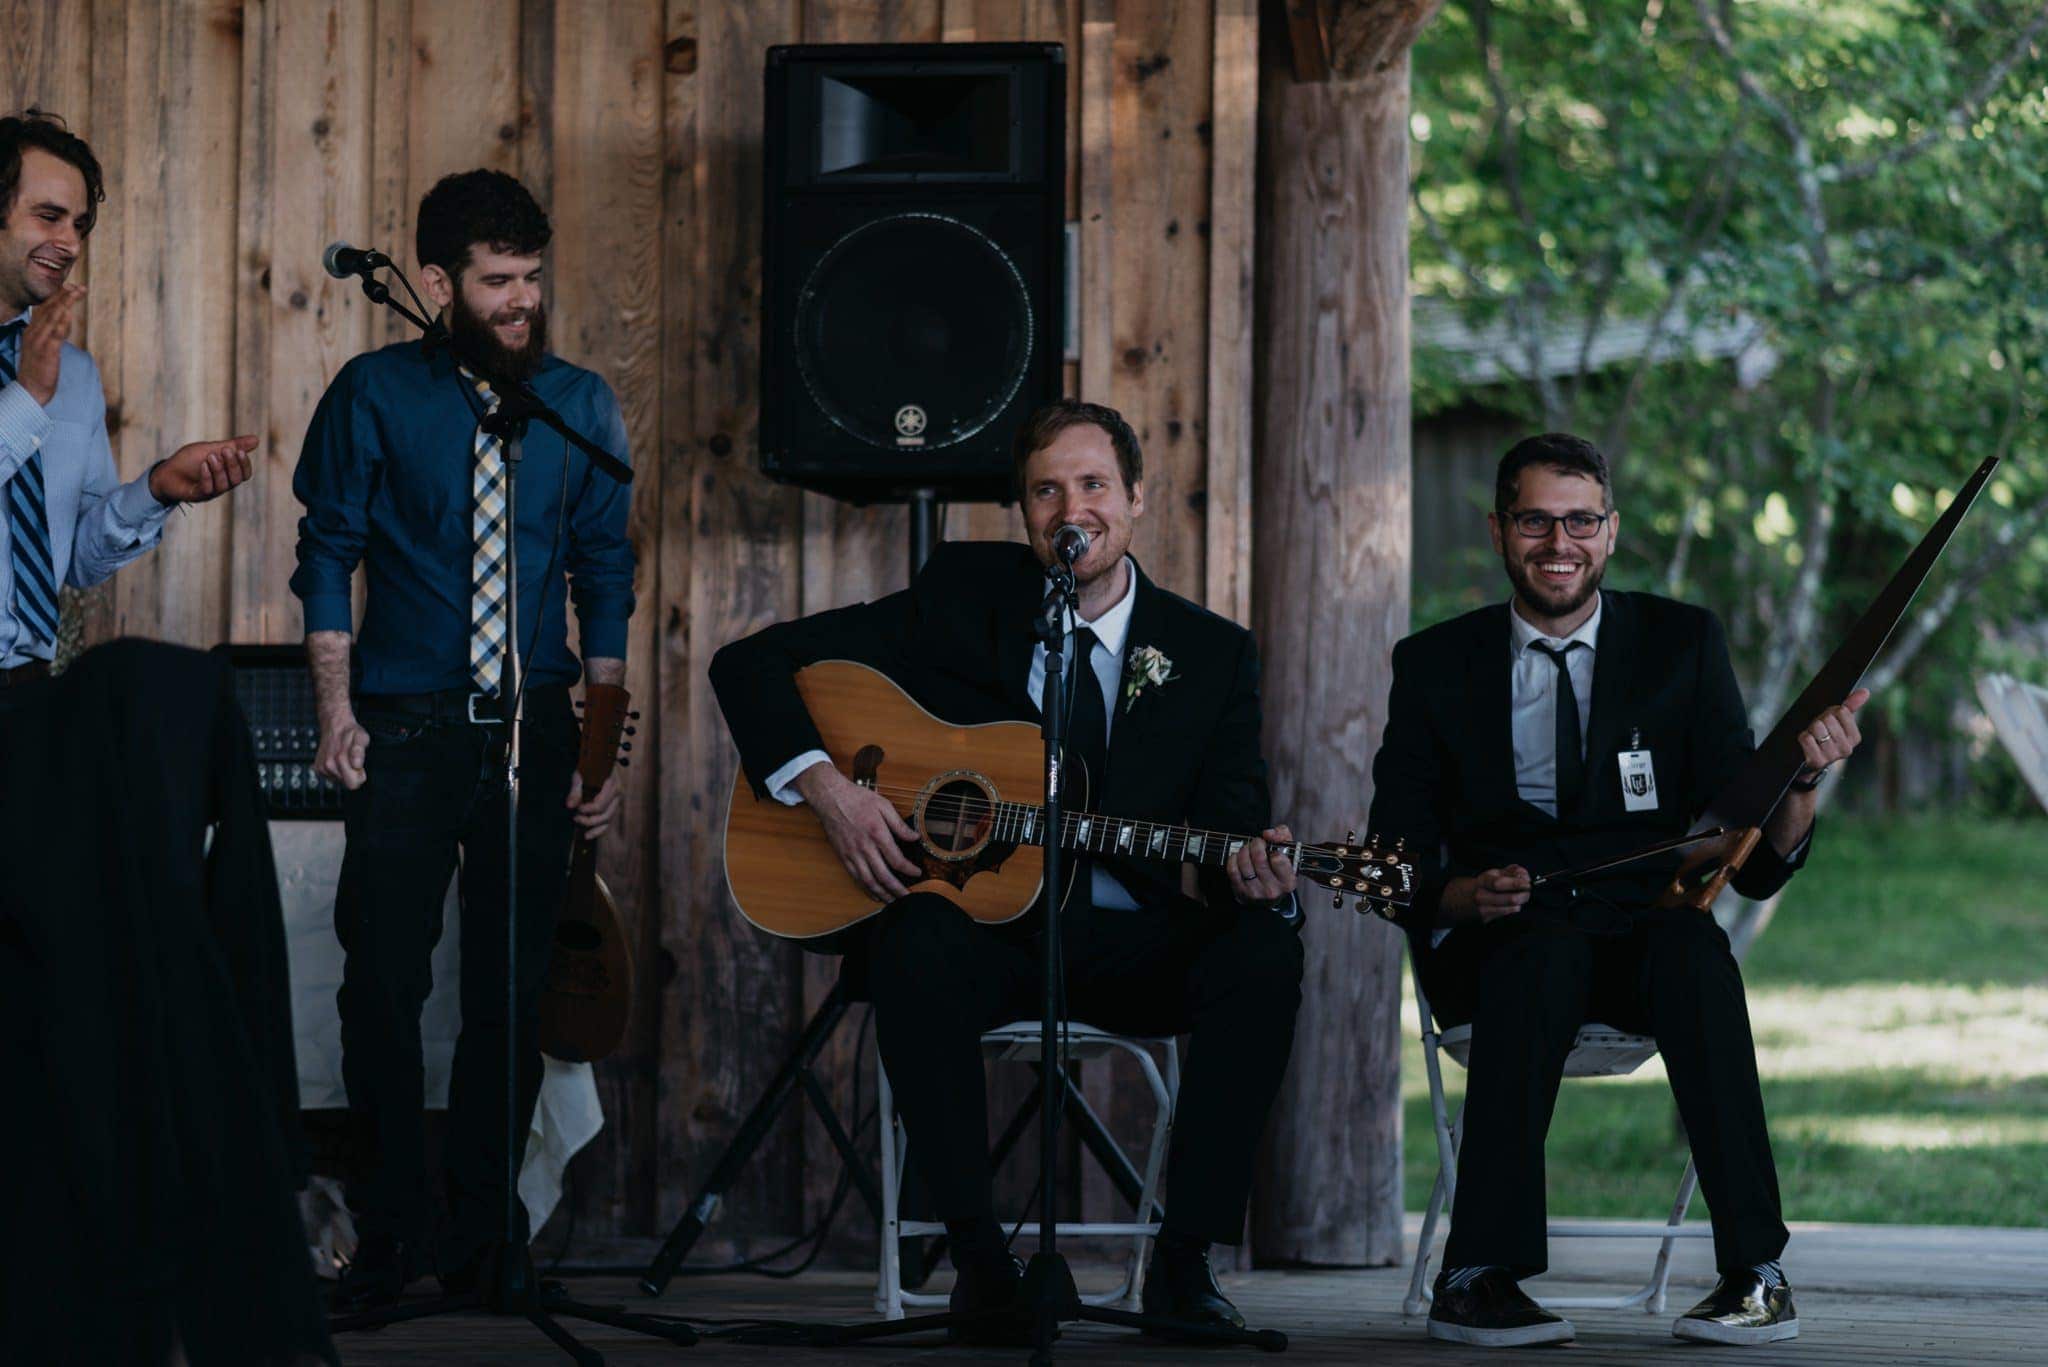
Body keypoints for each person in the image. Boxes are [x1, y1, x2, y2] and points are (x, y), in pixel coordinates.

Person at [711, 399, 1304, 1340]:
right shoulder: (962, 595)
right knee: (913, 935)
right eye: (1046, 490)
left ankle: (1185, 1263)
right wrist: (834, 793)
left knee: (1265, 951)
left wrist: (1249, 871)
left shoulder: (1210, 653)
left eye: (1094, 484)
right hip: (991, 935)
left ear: (1136, 498)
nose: (1073, 508)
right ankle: (982, 1266)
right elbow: (749, 663)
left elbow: (1228, 828)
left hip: (1130, 938)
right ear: (1024, 512)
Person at [1368, 433, 1864, 1348]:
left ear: (1612, 528)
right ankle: (1478, 1274)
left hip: (1644, 927)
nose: (1560, 541)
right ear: (1498, 529)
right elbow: (1392, 856)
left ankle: (1756, 1272)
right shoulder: (1435, 663)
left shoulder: (1683, 642)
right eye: (1536, 519)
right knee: (1537, 956)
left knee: (1697, 953)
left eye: (1582, 519)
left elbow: (1750, 859)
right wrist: (1458, 894)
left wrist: (1802, 782)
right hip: (1505, 938)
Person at [291, 169, 635, 1310]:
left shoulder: (577, 405)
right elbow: (326, 552)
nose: (520, 301)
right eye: (497, 281)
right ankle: (391, 1232)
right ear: (436, 283)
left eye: (532, 278)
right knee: (380, 984)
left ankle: (491, 1237)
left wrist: (597, 753)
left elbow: (605, 583)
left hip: (532, 727)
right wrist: (335, 710)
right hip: (402, 720)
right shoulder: (374, 393)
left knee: (510, 985)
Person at [0, 109, 255, 702]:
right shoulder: (45, 379)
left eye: (81, 225)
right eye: (49, 217)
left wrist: (159, 488)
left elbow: (77, 564)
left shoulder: (77, 374)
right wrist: (28, 397)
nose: (69, 243)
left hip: (32, 697)